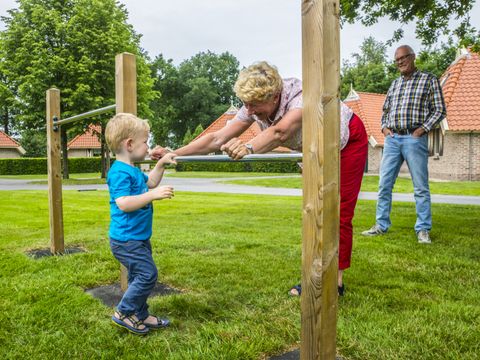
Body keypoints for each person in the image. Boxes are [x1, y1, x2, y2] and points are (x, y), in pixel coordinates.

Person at [151, 61, 368, 296]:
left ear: (275, 96)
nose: (250, 111)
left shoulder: (300, 97)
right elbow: (216, 139)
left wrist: (249, 148)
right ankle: (315, 273)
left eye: (255, 105)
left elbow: (280, 132)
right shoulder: (252, 105)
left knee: (337, 210)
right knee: (314, 208)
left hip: (346, 142)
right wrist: (174, 153)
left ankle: (334, 283)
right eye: (246, 104)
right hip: (312, 146)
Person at [361, 45, 447, 244]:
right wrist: (384, 128)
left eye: (403, 58)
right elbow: (385, 110)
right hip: (392, 140)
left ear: (413, 57)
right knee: (384, 185)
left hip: (414, 138)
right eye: (397, 59)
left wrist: (422, 129)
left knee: (420, 187)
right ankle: (381, 225)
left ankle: (423, 229)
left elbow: (440, 110)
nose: (400, 62)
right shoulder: (394, 84)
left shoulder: (429, 80)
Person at [105, 113, 176, 335]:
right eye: (145, 141)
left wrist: (162, 164)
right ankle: (124, 312)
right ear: (129, 144)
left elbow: (152, 181)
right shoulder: (118, 173)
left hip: (138, 237)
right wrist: (153, 195)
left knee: (139, 276)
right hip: (126, 240)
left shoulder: (133, 170)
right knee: (148, 274)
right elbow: (124, 203)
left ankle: (141, 314)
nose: (148, 146)